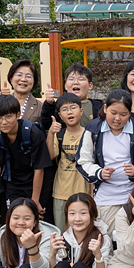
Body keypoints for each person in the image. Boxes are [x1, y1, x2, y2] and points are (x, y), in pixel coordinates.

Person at [81, 89, 134, 225]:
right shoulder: (93, 128)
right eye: (113, 113)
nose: (117, 119)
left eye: (123, 114)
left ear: (130, 112)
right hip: (104, 197)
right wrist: (99, 172)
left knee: (132, 238)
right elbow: (83, 161)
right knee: (107, 239)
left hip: (132, 197)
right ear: (105, 108)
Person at [0, 93, 50, 215]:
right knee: (14, 217)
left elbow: (39, 169)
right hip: (13, 183)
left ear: (17, 115)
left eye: (8, 116)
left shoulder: (32, 132)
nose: (4, 122)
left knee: (35, 218)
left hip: (36, 183)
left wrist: (35, 200)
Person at [46, 92, 92, 227]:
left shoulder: (89, 135)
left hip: (84, 192)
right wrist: (50, 133)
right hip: (61, 193)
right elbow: (49, 156)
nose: (69, 112)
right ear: (60, 115)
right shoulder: (59, 135)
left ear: (81, 110)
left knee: (84, 233)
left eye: (73, 107)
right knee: (62, 233)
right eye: (64, 109)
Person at [4, 57, 56, 127]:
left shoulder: (40, 106)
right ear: (11, 78)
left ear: (34, 81)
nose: (23, 79)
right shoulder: (0, 104)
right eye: (19, 75)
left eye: (28, 76)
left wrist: (50, 103)